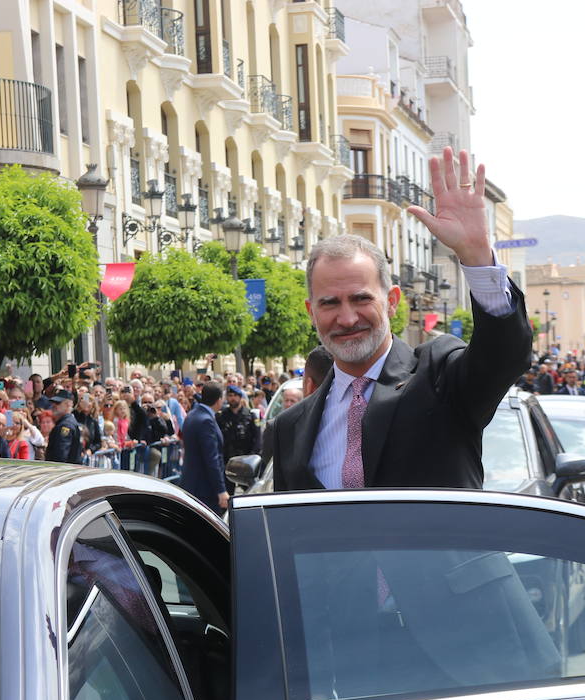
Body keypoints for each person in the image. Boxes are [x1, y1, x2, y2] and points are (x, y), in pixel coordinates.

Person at [268, 151, 531, 491]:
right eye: (330, 303)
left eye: (361, 299)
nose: (347, 318)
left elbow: (503, 356)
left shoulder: (440, 379)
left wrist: (477, 257)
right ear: (311, 312)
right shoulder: (290, 427)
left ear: (392, 301)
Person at [179, 382, 227, 513]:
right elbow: (212, 458)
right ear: (219, 400)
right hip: (205, 490)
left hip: (192, 485)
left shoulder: (193, 415)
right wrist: (221, 490)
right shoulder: (206, 421)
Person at [218, 384, 259, 460]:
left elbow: (258, 438)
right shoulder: (221, 416)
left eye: (235, 395)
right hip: (227, 459)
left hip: (246, 458)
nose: (233, 398)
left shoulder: (251, 416)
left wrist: (252, 456)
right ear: (227, 398)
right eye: (230, 396)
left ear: (240, 397)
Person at [43, 394, 81, 464]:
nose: (54, 406)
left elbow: (61, 454)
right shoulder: (64, 422)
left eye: (58, 403)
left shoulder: (66, 425)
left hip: (62, 470)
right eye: (53, 403)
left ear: (68, 405)